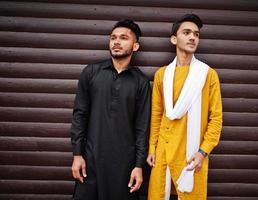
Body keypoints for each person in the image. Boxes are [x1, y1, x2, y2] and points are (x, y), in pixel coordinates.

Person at [71, 19, 151, 200]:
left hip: (125, 166)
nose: (116, 41)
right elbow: (79, 115)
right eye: (113, 37)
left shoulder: (141, 82)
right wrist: (77, 154)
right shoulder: (91, 73)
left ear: (135, 46)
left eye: (123, 38)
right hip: (90, 161)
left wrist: (138, 165)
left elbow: (142, 127)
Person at [147, 14, 223, 200]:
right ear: (174, 39)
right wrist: (151, 148)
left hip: (192, 155)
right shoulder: (161, 75)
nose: (192, 37)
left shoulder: (207, 75)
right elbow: (157, 114)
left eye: (196, 34)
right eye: (187, 32)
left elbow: (216, 118)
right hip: (163, 151)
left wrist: (203, 152)